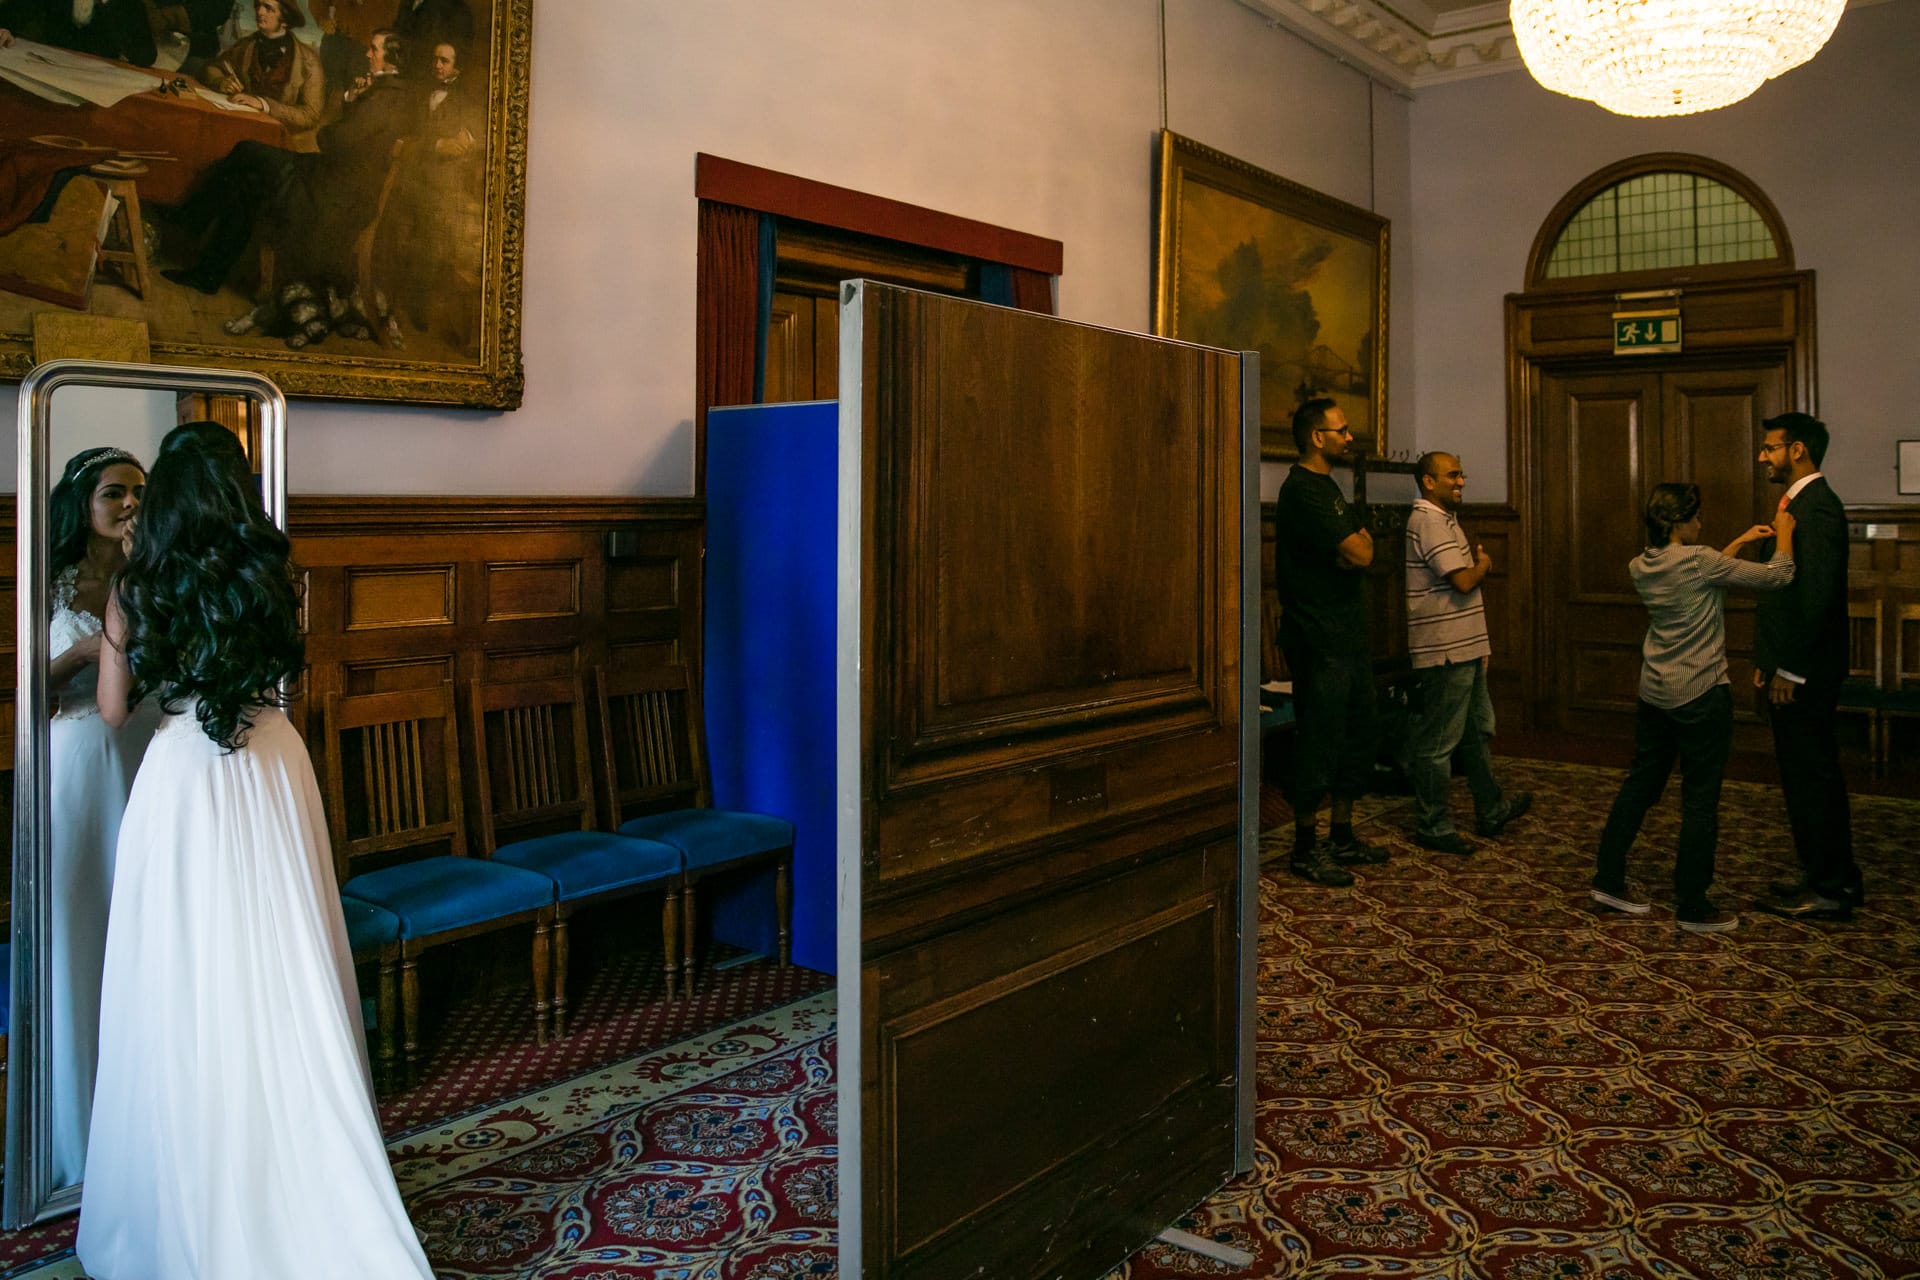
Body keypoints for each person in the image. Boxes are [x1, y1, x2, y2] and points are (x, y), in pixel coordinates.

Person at [77, 423, 434, 1280]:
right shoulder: (271, 572)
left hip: (185, 781)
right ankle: (305, 1166)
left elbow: (115, 713)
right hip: (271, 763)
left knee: (188, 971)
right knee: (284, 961)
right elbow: (283, 676)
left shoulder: (138, 585)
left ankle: (200, 1179)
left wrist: (109, 642)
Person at [1589, 483, 1796, 933]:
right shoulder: (1700, 560)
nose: (1701, 524)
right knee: (1700, 800)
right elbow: (1779, 576)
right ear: (1681, 522)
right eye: (1697, 517)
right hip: (1701, 693)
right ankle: (1693, 905)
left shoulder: (1641, 564)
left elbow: (1697, 576)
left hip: (1656, 693)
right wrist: (1784, 533)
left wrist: (1739, 543)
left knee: (1641, 785)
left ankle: (1607, 878)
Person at [44, 447, 159, 1186]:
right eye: (114, 493)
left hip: (146, 748)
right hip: (79, 763)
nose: (129, 506)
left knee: (143, 931)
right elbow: (29, 684)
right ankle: (80, 1133)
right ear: (81, 502)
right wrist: (85, 649)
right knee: (85, 930)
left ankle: (148, 1118)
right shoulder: (49, 579)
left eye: (140, 493)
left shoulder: (151, 574)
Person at [162, 25, 417, 298]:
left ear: (390, 60)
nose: (367, 54)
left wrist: (349, 102)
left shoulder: (384, 99)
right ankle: (206, 272)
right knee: (246, 179)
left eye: (374, 49)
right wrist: (353, 102)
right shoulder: (391, 94)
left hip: (329, 194)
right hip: (331, 181)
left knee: (247, 150)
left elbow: (333, 141)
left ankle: (188, 221)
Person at [1273, 398, 1390, 886]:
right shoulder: (1303, 491)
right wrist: (1352, 549)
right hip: (1317, 637)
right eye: (1341, 431)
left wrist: (1353, 548)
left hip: (1346, 634)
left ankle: (1341, 833)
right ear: (1317, 437)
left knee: (1358, 734)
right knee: (1319, 740)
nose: (1349, 437)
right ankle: (1304, 847)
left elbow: (1361, 547)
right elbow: (1360, 551)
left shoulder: (1329, 487)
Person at [1751, 412, 1863, 920]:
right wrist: (1766, 659)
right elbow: (1785, 594)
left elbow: (1815, 598)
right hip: (1793, 663)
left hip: (1807, 671)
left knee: (1811, 777)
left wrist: (1790, 669)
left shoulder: (1816, 509)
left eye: (1770, 448)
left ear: (1797, 451)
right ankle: (1825, 875)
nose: (1763, 457)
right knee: (1803, 777)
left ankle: (1831, 888)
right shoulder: (1800, 505)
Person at [1402, 451, 1532, 856]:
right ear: (1428, 481)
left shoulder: (1444, 518)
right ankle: (1433, 825)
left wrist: (1481, 646)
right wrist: (1485, 564)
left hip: (1464, 646)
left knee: (1476, 734)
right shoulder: (1426, 520)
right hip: (1444, 649)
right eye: (1452, 475)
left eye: (1462, 474)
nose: (1461, 481)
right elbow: (1462, 581)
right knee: (1439, 742)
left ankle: (1490, 809)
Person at [200, 0, 327, 148]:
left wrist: (264, 104)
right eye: (258, 6)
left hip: (278, 142)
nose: (259, 12)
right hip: (238, 129)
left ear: (285, 20)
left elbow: (310, 115)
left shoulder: (309, 62)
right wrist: (221, 81)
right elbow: (210, 68)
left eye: (268, 8)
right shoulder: (246, 45)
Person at [0, 0, 156, 65]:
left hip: (99, 79)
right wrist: (5, 29)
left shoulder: (128, 3)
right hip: (50, 67)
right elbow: (15, 13)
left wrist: (110, 6)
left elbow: (146, 55)